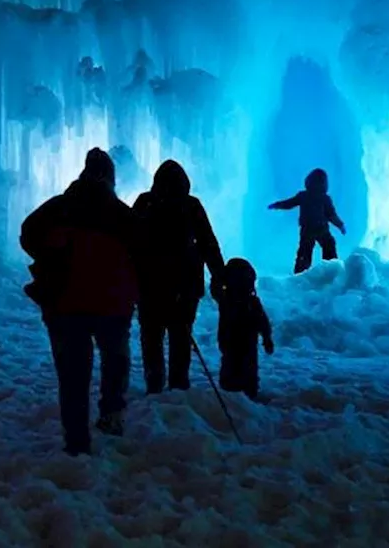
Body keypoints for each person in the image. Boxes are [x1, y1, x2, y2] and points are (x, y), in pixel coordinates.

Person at [20, 148, 138, 457]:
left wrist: (50, 256)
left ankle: (77, 440)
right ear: (110, 179)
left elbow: (28, 234)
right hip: (112, 304)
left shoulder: (60, 208)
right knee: (115, 359)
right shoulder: (122, 214)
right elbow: (144, 255)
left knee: (73, 374)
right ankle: (111, 414)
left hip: (64, 304)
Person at [131, 159, 225, 394]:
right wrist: (219, 276)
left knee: (152, 336)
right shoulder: (191, 206)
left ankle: (156, 384)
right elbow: (209, 244)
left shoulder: (146, 203)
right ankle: (177, 384)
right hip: (185, 287)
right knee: (180, 337)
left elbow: (129, 243)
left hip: (150, 286)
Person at [215, 258, 274, 401]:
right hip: (242, 343)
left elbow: (262, 321)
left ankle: (234, 393)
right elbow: (262, 321)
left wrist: (266, 337)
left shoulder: (227, 301)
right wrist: (266, 337)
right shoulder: (247, 302)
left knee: (236, 366)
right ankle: (244, 393)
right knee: (244, 367)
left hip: (233, 342)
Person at [268, 168, 347, 274]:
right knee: (328, 245)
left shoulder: (304, 195)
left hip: (308, 228)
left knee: (305, 250)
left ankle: (301, 272)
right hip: (321, 227)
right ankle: (331, 269)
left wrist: (277, 205)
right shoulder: (324, 198)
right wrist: (340, 225)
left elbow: (289, 203)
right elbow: (331, 215)